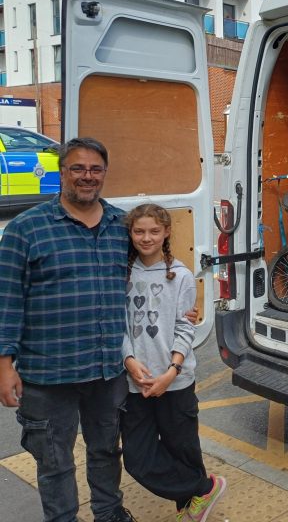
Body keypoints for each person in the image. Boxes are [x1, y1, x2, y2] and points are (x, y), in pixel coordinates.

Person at [0, 138, 136, 522]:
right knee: (54, 459)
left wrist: (182, 307)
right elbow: (6, 300)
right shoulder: (26, 229)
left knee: (106, 450)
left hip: (107, 369)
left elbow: (149, 278)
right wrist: (4, 364)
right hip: (47, 373)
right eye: (77, 169)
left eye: (95, 169)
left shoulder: (121, 225)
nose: (86, 177)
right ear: (61, 173)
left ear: (104, 174)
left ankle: (109, 514)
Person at [120, 203, 226, 522]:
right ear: (130, 233)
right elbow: (118, 325)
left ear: (166, 232)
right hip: (133, 383)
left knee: (183, 451)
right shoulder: (122, 274)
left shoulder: (180, 275)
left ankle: (190, 511)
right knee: (137, 459)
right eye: (139, 231)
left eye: (154, 231)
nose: (146, 237)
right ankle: (205, 488)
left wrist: (172, 371)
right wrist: (128, 361)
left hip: (175, 382)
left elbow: (184, 326)